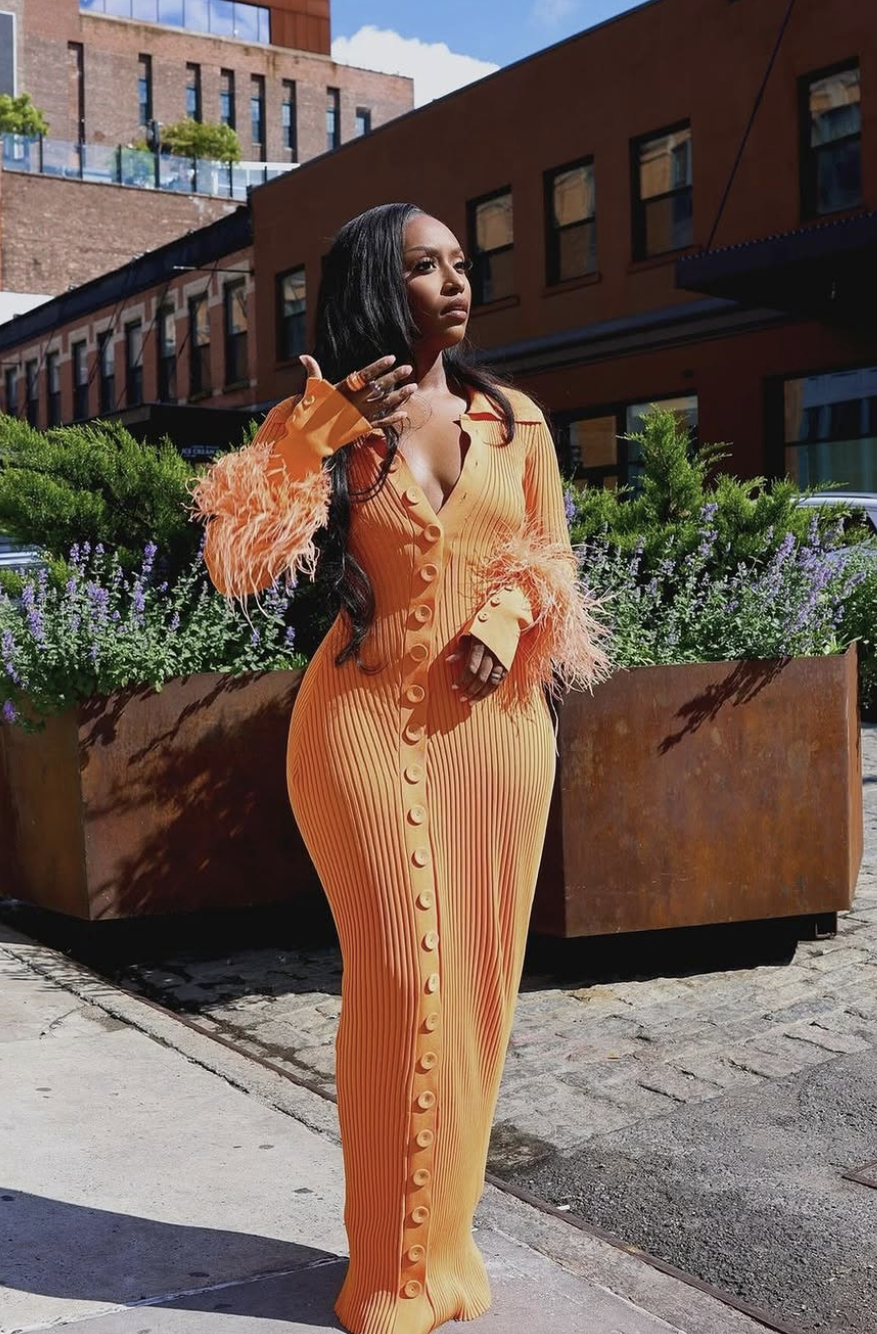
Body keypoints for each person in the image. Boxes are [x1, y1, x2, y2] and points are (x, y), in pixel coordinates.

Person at [189, 203, 609, 1334]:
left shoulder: (513, 419)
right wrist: (309, 439)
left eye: (462, 264)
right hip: (362, 727)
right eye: (426, 267)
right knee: (402, 979)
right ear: (380, 284)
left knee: (475, 985)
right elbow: (235, 562)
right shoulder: (323, 417)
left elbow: (551, 557)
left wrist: (507, 612)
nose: (457, 282)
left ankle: (447, 1246)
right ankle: (385, 1265)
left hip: (499, 737)